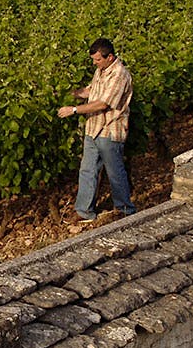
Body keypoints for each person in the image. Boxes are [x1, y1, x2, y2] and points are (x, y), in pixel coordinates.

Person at [57, 37, 136, 225]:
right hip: (93, 128)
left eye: (98, 59)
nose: (95, 63)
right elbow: (90, 91)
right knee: (87, 169)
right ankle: (84, 211)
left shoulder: (119, 75)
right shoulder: (101, 70)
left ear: (110, 57)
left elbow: (103, 103)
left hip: (110, 129)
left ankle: (125, 210)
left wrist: (73, 110)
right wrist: (68, 93)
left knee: (114, 171)